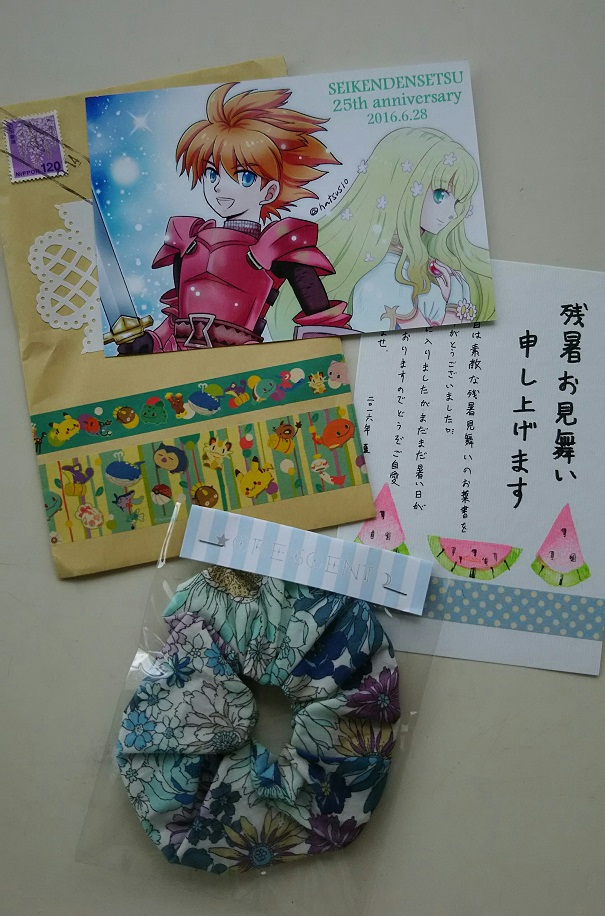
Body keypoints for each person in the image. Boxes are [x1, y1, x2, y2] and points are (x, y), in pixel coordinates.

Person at [120, 82, 349, 354]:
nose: (220, 186)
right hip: (180, 356)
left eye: (244, 176)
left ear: (270, 190)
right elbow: (177, 317)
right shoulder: (187, 240)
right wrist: (151, 342)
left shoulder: (276, 246)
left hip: (240, 360)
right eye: (211, 173)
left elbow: (322, 324)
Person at [267, 127, 494, 338]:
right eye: (440, 195)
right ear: (404, 188)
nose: (453, 213)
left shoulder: (437, 273)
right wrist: (453, 306)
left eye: (458, 201)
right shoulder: (380, 282)